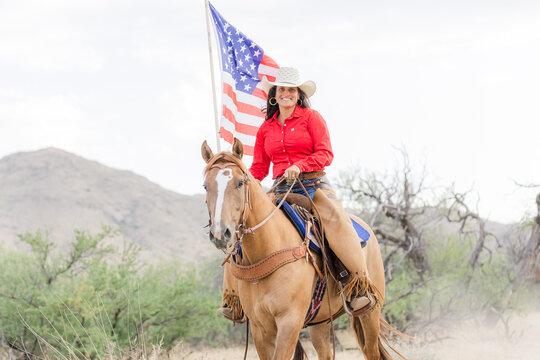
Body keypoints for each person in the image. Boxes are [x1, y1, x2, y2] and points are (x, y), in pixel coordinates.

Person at [219, 67, 377, 322]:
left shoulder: (312, 118)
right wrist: (244, 183)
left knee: (336, 223)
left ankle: (356, 285)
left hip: (313, 185)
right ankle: (234, 298)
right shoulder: (266, 128)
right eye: (281, 89)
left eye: (291, 90)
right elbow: (259, 167)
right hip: (279, 189)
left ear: (298, 94)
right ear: (275, 94)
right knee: (242, 227)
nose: (286, 94)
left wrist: (299, 166)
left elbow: (326, 153)